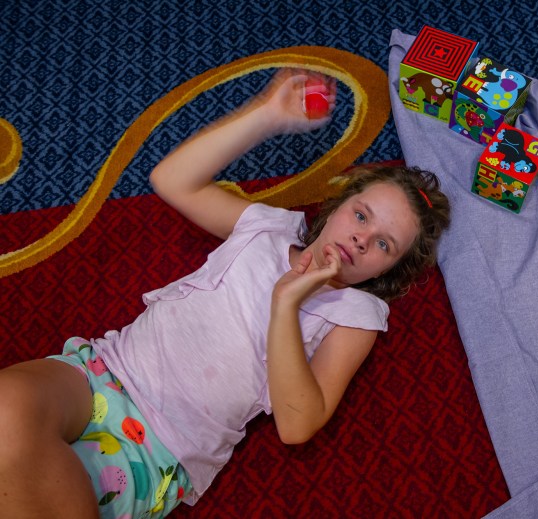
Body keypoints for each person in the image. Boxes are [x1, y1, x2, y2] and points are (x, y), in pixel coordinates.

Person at [0, 69, 450, 518]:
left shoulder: (354, 314)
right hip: (103, 370)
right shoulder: (269, 227)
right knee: (8, 409)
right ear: (336, 207)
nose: (361, 240)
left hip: (160, 446)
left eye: (384, 245)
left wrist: (286, 302)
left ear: (389, 273)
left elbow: (298, 424)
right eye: (361, 216)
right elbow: (173, 180)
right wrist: (266, 114)